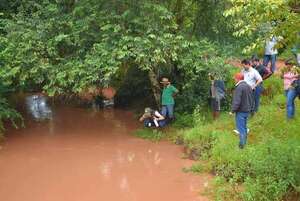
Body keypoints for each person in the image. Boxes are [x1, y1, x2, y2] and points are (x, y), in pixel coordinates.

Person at [231, 73, 254, 149]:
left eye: (234, 78)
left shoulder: (239, 87)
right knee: (244, 128)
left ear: (238, 79)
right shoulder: (248, 86)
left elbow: (237, 101)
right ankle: (244, 144)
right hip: (248, 111)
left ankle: (241, 146)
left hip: (241, 111)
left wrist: (232, 110)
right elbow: (252, 99)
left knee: (241, 129)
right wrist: (251, 109)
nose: (234, 80)